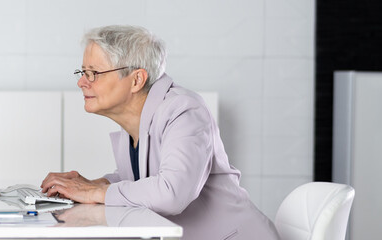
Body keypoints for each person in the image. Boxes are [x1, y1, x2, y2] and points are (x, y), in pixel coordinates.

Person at [40, 25, 279, 240]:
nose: (82, 82)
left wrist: (96, 192)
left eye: (93, 73)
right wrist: (92, 184)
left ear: (136, 80)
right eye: (82, 72)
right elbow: (141, 182)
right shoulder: (134, 121)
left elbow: (171, 192)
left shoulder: (184, 110)